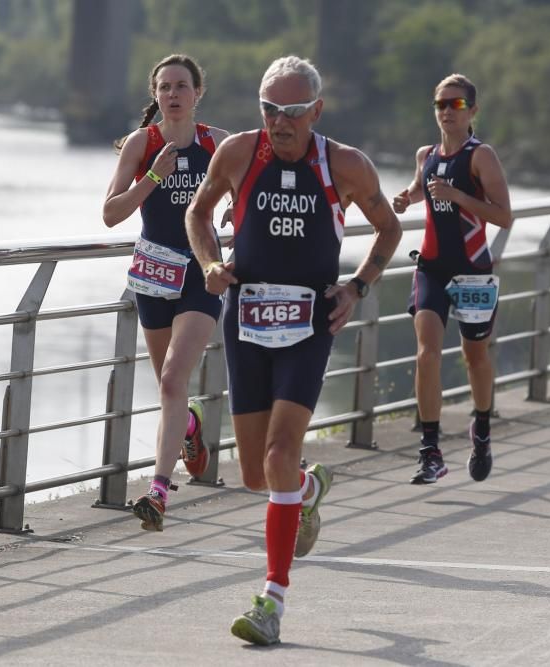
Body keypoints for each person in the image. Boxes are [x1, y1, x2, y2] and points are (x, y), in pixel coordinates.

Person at [185, 55, 402, 645]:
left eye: (293, 111)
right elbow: (198, 213)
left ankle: (271, 600)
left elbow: (390, 228)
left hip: (309, 323)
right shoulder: (237, 154)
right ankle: (308, 490)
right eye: (270, 109)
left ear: (316, 111)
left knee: (281, 453)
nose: (280, 122)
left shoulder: (345, 165)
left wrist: (356, 288)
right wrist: (209, 264)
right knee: (258, 475)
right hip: (247, 322)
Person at [102, 54, 229, 530]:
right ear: (155, 95)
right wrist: (153, 173)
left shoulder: (219, 143)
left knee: (174, 380)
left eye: (181, 86)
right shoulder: (142, 143)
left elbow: (247, 192)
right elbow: (111, 214)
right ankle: (191, 427)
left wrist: (239, 211)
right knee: (169, 388)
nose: (173, 94)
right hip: (154, 276)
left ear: (198, 93)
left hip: (200, 273)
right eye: (165, 87)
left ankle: (157, 490)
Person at [392, 74, 512, 485]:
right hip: (431, 266)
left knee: (474, 356)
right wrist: (405, 198)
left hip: (473, 270)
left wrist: (459, 197)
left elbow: (503, 215)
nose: (447, 111)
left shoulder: (482, 157)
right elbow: (420, 187)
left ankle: (481, 429)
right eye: (441, 104)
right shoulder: (426, 154)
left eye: (456, 104)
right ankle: (430, 450)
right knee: (426, 350)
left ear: (472, 111)